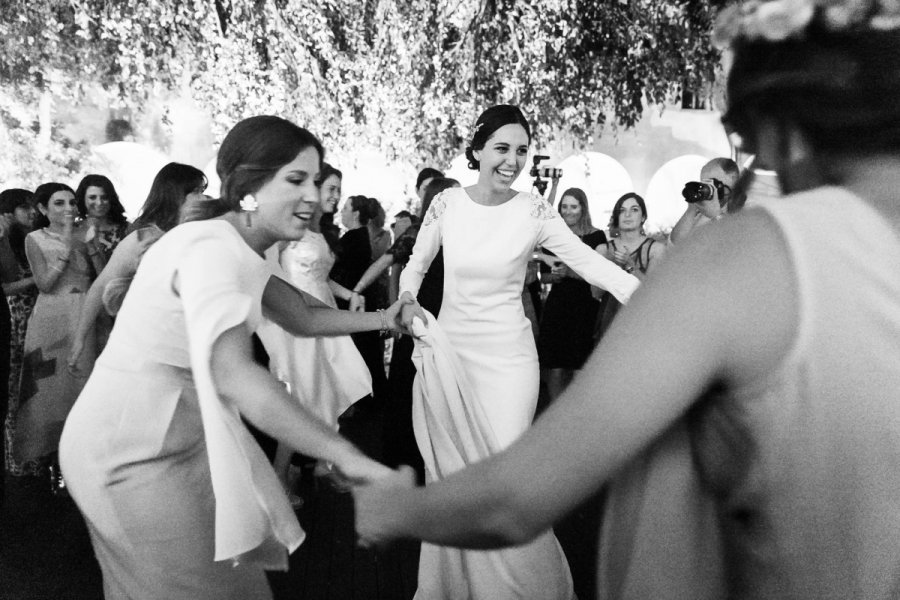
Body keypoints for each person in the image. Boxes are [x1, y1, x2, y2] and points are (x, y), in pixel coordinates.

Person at [355, 4, 900, 599]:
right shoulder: (450, 206)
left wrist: (395, 510)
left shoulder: (750, 258)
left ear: (777, 123)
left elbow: (520, 497)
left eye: (743, 141)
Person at [59, 115, 402, 600]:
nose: (312, 194)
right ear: (247, 185)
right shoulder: (210, 247)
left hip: (178, 437)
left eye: (316, 179)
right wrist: (344, 453)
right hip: (129, 449)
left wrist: (388, 319)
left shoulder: (239, 247)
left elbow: (301, 313)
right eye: (295, 179)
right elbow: (235, 374)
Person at [394, 104, 639, 599]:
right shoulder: (447, 204)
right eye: (502, 148)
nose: (512, 160)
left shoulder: (534, 210)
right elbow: (415, 267)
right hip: (454, 356)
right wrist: (406, 299)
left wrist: (655, 297)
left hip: (510, 362)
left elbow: (592, 265)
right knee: (461, 476)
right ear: (478, 150)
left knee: (503, 478)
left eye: (522, 151)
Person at [67, 162, 208, 370]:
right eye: (196, 191)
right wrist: (80, 338)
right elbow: (101, 286)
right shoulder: (143, 237)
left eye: (202, 191)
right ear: (176, 194)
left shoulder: (204, 232)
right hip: (152, 340)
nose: (204, 197)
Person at [12, 183, 101, 478]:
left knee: (86, 379)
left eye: (71, 202)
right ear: (42, 209)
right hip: (53, 316)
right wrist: (64, 248)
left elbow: (101, 275)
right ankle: (52, 463)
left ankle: (89, 460)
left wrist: (91, 246)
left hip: (87, 311)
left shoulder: (86, 232)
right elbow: (44, 285)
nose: (68, 209)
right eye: (59, 203)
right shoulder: (34, 239)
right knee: (51, 386)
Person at [535, 187, 609, 401]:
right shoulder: (554, 236)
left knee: (580, 363)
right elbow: (543, 275)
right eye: (564, 206)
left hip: (585, 304)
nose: (568, 211)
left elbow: (598, 273)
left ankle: (577, 410)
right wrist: (554, 276)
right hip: (558, 303)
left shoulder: (596, 236)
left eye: (573, 206)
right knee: (555, 364)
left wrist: (569, 271)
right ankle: (555, 410)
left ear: (583, 208)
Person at [0, 189, 40, 478]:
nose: (31, 212)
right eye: (24, 208)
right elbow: (6, 286)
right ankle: (17, 463)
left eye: (32, 207)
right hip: (17, 318)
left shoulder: (34, 237)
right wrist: (33, 280)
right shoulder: (6, 242)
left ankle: (38, 459)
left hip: (39, 317)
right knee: (16, 392)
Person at [594, 193, 667, 340]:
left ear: (643, 217)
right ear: (616, 216)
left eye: (634, 209)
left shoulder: (656, 249)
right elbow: (596, 293)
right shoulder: (603, 249)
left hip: (642, 323)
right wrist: (610, 267)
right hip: (610, 322)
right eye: (622, 210)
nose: (627, 215)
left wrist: (631, 267)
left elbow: (652, 291)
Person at [668, 158, 740, 244]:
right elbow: (674, 246)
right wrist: (691, 210)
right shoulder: (704, 212)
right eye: (705, 184)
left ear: (734, 180)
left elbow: (739, 245)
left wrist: (716, 216)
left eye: (715, 183)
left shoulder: (748, 208)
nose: (710, 188)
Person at [73, 174, 130, 263]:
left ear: (111, 199)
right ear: (82, 199)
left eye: (104, 197)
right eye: (92, 197)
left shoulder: (127, 230)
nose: (99, 202)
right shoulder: (74, 231)